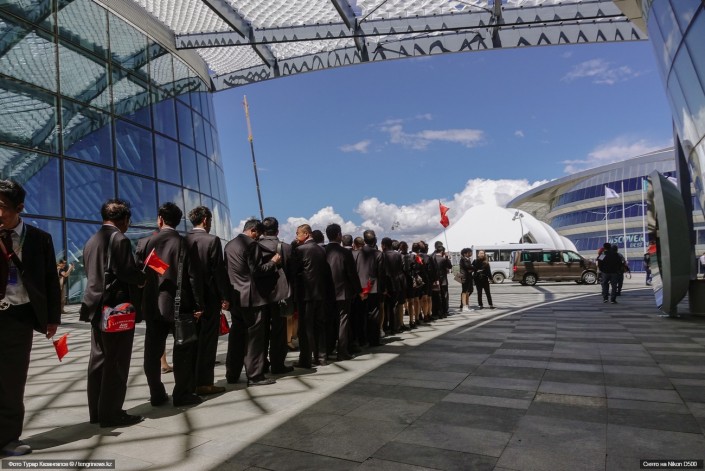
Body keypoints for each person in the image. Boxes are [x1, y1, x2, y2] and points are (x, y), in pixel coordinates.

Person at [0, 180, 61, 456]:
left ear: (19, 207)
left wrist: (51, 318)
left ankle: (8, 438)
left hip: (19, 317)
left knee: (12, 380)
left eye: (2, 206)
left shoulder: (39, 239)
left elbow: (50, 280)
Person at [80, 198, 146, 428]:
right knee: (116, 361)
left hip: (95, 306)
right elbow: (126, 272)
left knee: (98, 359)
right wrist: (142, 277)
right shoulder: (119, 239)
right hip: (116, 309)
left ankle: (97, 412)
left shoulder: (92, 240)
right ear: (124, 219)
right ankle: (112, 413)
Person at [136, 202, 204, 406]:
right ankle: (182, 394)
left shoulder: (144, 243)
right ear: (178, 221)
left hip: (153, 304)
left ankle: (156, 393)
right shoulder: (186, 243)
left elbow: (138, 276)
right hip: (180, 304)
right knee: (183, 350)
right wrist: (198, 305)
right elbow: (193, 277)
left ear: (160, 219)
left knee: (152, 352)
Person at [224, 219, 280, 385]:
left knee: (236, 338)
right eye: (258, 234)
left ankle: (232, 374)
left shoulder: (229, 245)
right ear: (253, 230)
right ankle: (255, 375)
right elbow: (257, 271)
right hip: (252, 298)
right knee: (255, 339)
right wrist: (273, 262)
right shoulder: (251, 245)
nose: (259, 237)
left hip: (236, 297)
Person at [185, 206, 230, 395]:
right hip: (209, 299)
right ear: (205, 220)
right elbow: (218, 272)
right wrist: (225, 296)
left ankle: (190, 382)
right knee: (208, 342)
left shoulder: (184, 240)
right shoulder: (212, 240)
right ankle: (204, 383)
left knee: (190, 343)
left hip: (189, 300)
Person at [258, 217, 295, 374]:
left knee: (261, 331)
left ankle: (261, 363)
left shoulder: (255, 246)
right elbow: (292, 272)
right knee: (278, 331)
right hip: (280, 295)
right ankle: (278, 363)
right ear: (277, 231)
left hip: (260, 295)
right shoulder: (285, 248)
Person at [293, 224, 333, 367]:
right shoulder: (321, 250)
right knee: (319, 326)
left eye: (298, 233)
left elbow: (294, 271)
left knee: (305, 328)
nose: (296, 236)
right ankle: (321, 357)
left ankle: (305, 359)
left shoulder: (300, 250)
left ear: (306, 234)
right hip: (320, 293)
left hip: (306, 294)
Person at [324, 223, 362, 360]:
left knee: (329, 321)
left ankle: (327, 349)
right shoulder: (345, 253)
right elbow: (352, 274)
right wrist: (359, 290)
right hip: (343, 292)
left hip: (326, 292)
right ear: (339, 235)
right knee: (343, 321)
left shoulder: (323, 251)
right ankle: (342, 351)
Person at [354, 230, 385, 346]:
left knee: (360, 314)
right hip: (373, 287)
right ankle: (373, 339)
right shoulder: (378, 254)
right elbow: (381, 273)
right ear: (375, 240)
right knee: (374, 314)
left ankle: (361, 339)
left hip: (359, 288)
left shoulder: (357, 253)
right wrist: (382, 288)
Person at [432, 241, 452, 318]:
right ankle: (444, 311)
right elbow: (449, 266)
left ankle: (436, 311)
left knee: (436, 296)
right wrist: (447, 258)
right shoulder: (443, 259)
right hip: (443, 280)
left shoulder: (432, 257)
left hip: (434, 280)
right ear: (442, 251)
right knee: (444, 296)